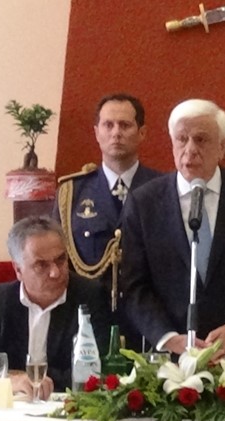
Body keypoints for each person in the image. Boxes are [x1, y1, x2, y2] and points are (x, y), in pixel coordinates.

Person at [120, 98, 225, 380]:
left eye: (201, 139)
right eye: (181, 139)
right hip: (172, 362)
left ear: (222, 147)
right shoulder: (144, 202)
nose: (190, 150)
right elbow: (134, 285)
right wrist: (168, 337)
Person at [0, 216, 111, 399]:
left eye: (61, 260)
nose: (55, 273)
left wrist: (34, 379)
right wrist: (10, 381)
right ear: (18, 270)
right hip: (12, 408)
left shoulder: (90, 297)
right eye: (41, 265)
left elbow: (97, 372)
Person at [54, 93, 160, 350]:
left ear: (142, 133)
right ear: (96, 132)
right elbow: (59, 260)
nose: (116, 133)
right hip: (90, 323)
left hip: (149, 323)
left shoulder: (163, 190)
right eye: (108, 125)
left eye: (125, 125)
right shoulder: (71, 193)